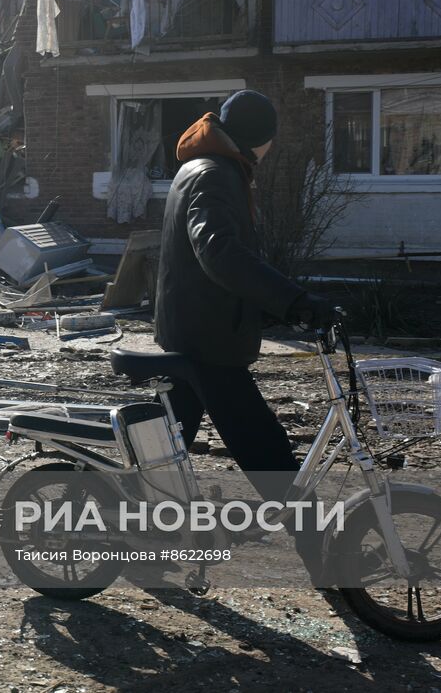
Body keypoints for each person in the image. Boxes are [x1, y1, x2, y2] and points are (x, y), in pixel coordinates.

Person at [154, 89, 336, 580]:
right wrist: (292, 300)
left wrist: (269, 308)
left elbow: (216, 263)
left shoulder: (202, 167)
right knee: (265, 447)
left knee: (165, 449)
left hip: (194, 330)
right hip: (208, 341)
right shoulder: (217, 175)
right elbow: (219, 254)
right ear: (261, 140)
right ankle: (324, 556)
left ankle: (136, 536)